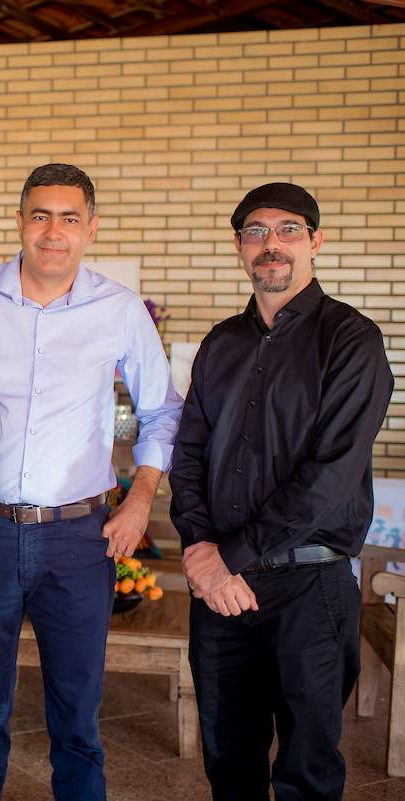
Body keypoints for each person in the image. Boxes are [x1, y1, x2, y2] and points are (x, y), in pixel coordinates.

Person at [0, 163, 183, 801]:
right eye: (41, 215)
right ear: (20, 221)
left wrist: (139, 499)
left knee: (77, 713)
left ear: (90, 229)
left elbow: (163, 410)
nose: (53, 231)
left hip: (79, 537)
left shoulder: (119, 309)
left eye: (69, 217)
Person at [170, 183, 392, 800]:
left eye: (288, 229)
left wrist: (227, 556)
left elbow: (332, 474)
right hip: (220, 591)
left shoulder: (351, 340)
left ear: (315, 242)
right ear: (240, 248)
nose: (271, 244)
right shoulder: (220, 344)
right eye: (255, 232)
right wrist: (200, 551)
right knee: (228, 762)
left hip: (309, 588)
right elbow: (187, 453)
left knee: (306, 771)